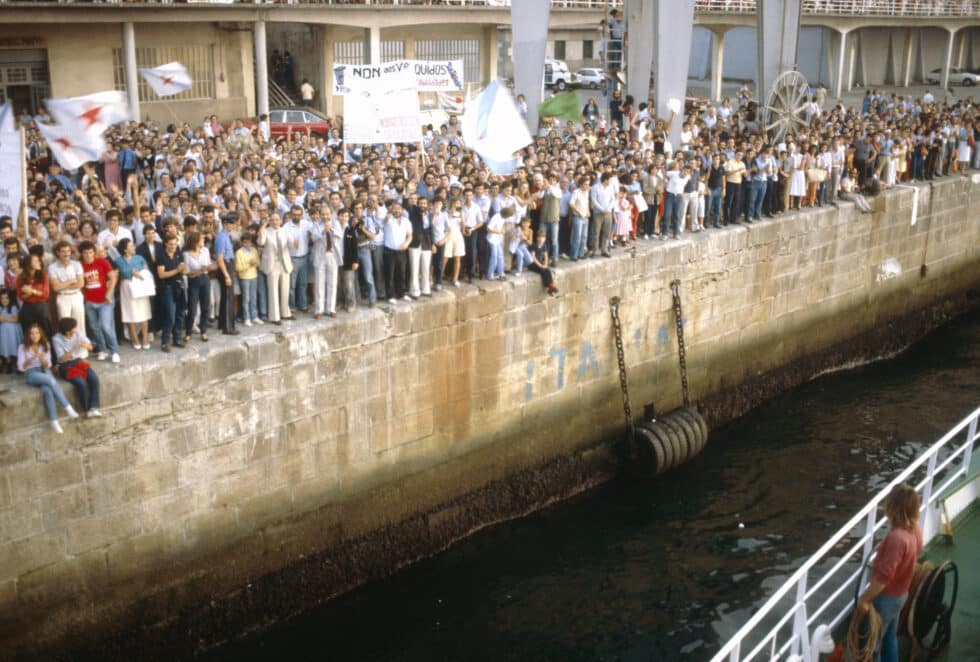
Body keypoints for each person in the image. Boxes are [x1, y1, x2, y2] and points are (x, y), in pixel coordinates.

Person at [856, 484, 924, 662]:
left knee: (873, 646)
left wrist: (865, 599)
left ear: (894, 507)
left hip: (885, 599)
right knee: (889, 638)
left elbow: (883, 578)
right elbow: (917, 552)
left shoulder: (896, 538)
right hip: (901, 595)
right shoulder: (915, 529)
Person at [18, 322, 78, 434]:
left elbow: (48, 365)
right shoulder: (23, 347)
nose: (34, 336)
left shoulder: (45, 345)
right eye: (31, 333)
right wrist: (30, 360)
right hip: (31, 373)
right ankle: (68, 407)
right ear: (28, 335)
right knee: (50, 380)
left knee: (47, 390)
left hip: (44, 370)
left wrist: (42, 359)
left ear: (40, 335)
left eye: (36, 333)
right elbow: (21, 367)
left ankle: (54, 421)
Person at [79, 240, 120, 364]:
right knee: (94, 327)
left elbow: (113, 278)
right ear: (82, 254)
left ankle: (115, 351)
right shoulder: (80, 265)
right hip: (90, 301)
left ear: (94, 252)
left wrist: (108, 294)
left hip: (104, 301)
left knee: (106, 326)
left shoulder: (102, 262)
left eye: (91, 252)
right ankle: (102, 350)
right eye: (86, 253)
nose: (89, 255)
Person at [52, 317, 101, 418]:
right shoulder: (56, 339)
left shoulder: (78, 333)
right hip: (64, 365)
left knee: (94, 378)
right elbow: (62, 359)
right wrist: (73, 349)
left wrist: (86, 346)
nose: (76, 329)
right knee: (81, 383)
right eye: (74, 327)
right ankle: (87, 410)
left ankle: (94, 407)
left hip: (78, 361)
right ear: (67, 330)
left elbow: (91, 347)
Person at [114, 237, 152, 350]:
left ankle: (144, 337)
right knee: (129, 313)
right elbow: (117, 274)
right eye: (131, 246)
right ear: (125, 250)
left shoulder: (140, 258)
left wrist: (139, 275)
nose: (134, 247)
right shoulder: (118, 261)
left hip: (139, 285)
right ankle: (134, 338)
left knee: (144, 312)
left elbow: (147, 272)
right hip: (126, 287)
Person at [257, 213, 293, 325]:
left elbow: (291, 245)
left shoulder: (285, 231)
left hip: (284, 263)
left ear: (280, 221)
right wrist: (264, 225)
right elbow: (260, 242)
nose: (275, 222)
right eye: (272, 220)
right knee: (273, 290)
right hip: (272, 264)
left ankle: (285, 313)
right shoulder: (266, 231)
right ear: (270, 221)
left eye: (277, 220)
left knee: (285, 289)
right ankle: (274, 316)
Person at [155, 233, 187, 352]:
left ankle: (177, 339)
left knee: (180, 314)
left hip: (180, 286)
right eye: (171, 244)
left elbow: (184, 271)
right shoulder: (161, 256)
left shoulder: (179, 255)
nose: (173, 246)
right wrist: (177, 270)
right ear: (165, 244)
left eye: (175, 244)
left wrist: (183, 270)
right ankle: (165, 342)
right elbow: (161, 274)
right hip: (168, 288)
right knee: (170, 316)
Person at [182, 231, 212, 343]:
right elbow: (187, 273)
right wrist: (200, 270)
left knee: (205, 306)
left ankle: (203, 331)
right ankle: (188, 331)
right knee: (192, 308)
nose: (204, 241)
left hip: (205, 279)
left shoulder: (205, 251)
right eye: (202, 239)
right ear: (196, 241)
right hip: (193, 281)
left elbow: (208, 266)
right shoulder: (187, 254)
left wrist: (206, 268)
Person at [214, 213, 239, 335]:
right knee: (228, 297)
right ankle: (228, 327)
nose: (233, 225)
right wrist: (227, 275)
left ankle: (223, 324)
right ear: (225, 224)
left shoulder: (227, 236)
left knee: (227, 296)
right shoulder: (221, 237)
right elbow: (220, 259)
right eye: (231, 223)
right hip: (225, 265)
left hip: (229, 264)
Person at [18, 252, 52, 339]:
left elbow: (45, 295)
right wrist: (31, 293)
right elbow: (21, 296)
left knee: (45, 331)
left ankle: (46, 351)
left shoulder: (44, 276)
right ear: (28, 264)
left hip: (41, 307)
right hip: (27, 307)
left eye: (38, 261)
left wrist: (32, 291)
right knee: (28, 332)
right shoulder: (20, 277)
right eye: (35, 261)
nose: (39, 263)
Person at [235, 231, 262, 327]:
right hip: (245, 278)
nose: (248, 244)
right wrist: (248, 264)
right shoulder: (238, 253)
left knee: (253, 297)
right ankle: (246, 318)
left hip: (254, 276)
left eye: (249, 242)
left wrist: (256, 263)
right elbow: (238, 268)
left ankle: (254, 316)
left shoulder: (254, 250)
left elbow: (259, 263)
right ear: (242, 243)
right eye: (246, 242)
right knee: (246, 299)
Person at [0, 287, 22, 374]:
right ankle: (8, 362)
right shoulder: (0, 308)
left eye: (6, 298)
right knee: (6, 346)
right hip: (3, 332)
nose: (4, 300)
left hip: (13, 331)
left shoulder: (13, 307)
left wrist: (4, 318)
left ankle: (17, 364)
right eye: (2, 298)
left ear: (11, 298)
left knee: (14, 345)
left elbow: (16, 319)